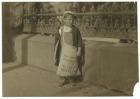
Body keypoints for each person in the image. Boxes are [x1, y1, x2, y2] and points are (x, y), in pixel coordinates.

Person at [54, 11, 84, 87]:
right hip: (63, 51)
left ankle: (71, 78)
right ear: (64, 20)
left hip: (72, 51)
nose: (71, 21)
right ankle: (62, 79)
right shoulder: (61, 29)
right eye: (69, 19)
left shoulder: (75, 30)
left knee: (72, 64)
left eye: (72, 19)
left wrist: (79, 50)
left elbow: (79, 40)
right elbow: (57, 38)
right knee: (63, 64)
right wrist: (59, 32)